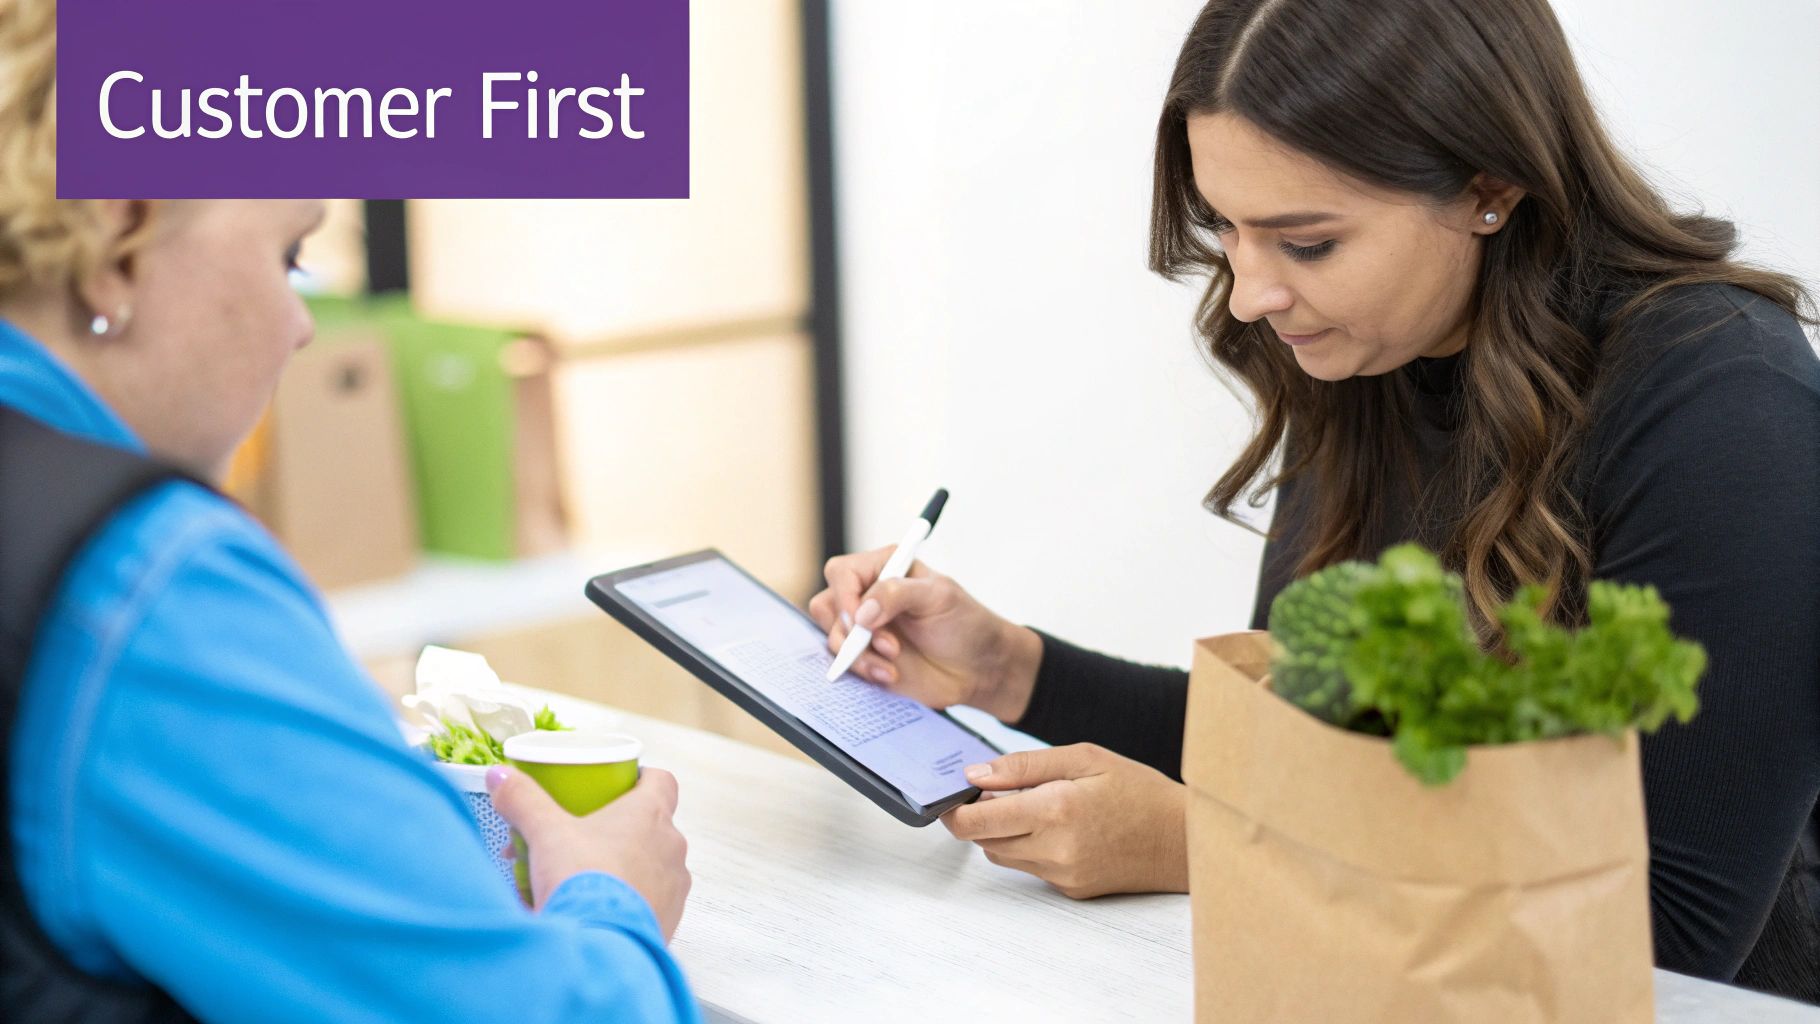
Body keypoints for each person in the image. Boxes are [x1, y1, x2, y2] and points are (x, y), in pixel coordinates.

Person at [810, 0, 1820, 1003]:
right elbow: (1300, 748)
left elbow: (1672, 929)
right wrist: (1010, 668)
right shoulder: (1373, 356)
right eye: (1226, 228)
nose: (1249, 293)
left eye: (1306, 243)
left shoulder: (1724, 401)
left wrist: (1214, 846)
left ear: (1489, 189)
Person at [0, 2, 697, 1020]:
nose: (298, 328)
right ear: (118, 234)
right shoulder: (147, 585)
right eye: (288, 255)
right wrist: (615, 897)